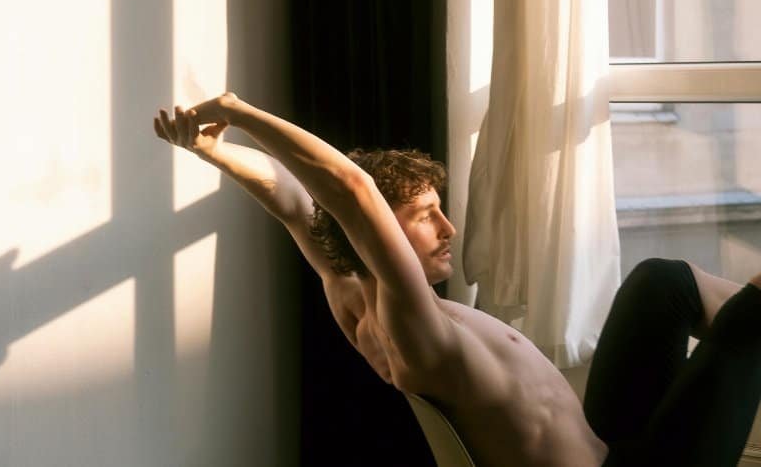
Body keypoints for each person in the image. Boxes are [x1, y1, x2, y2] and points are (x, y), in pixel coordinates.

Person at [153, 92, 761, 467]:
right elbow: (351, 192)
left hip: (609, 444)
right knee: (752, 314)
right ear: (379, 235)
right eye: (424, 217)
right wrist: (237, 112)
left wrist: (213, 151)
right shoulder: (409, 329)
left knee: (661, 281)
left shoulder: (348, 284)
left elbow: (290, 200)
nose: (448, 228)